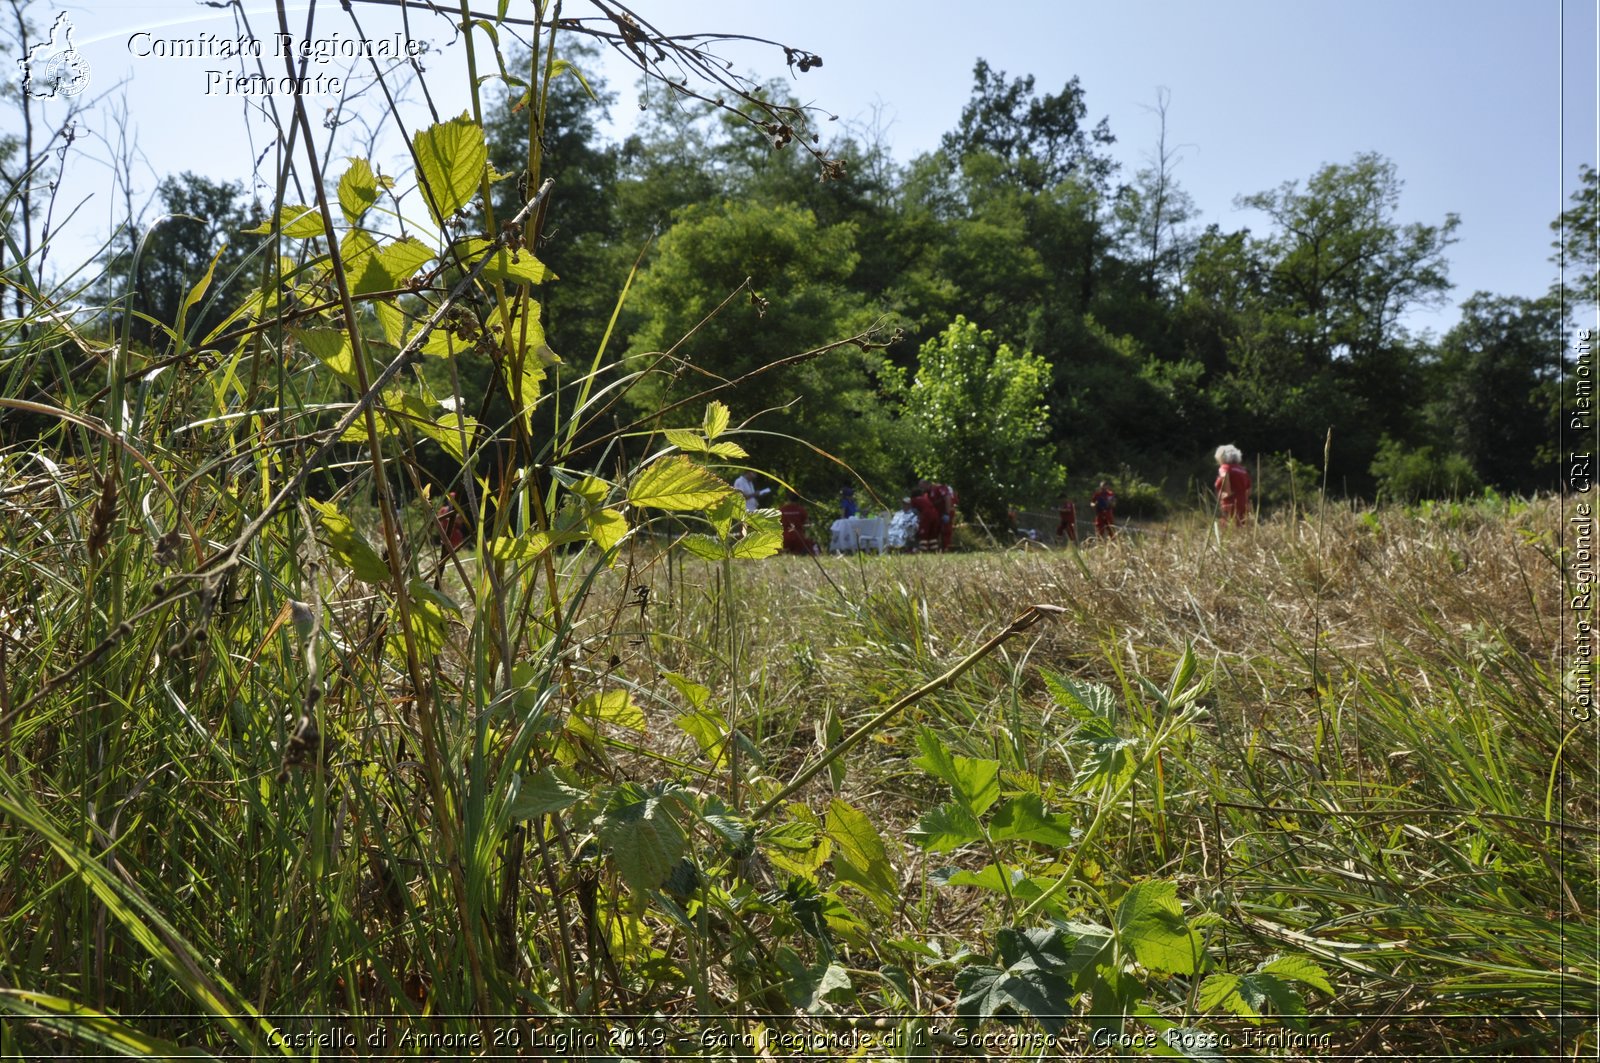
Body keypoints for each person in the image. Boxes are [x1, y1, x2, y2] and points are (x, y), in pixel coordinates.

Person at [1214, 444, 1252, 526]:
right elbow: (1249, 490)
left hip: (1230, 503)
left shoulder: (1225, 467)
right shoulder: (1243, 470)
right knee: (1241, 527)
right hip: (1243, 503)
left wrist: (1227, 492)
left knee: (1228, 527)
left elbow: (1224, 476)